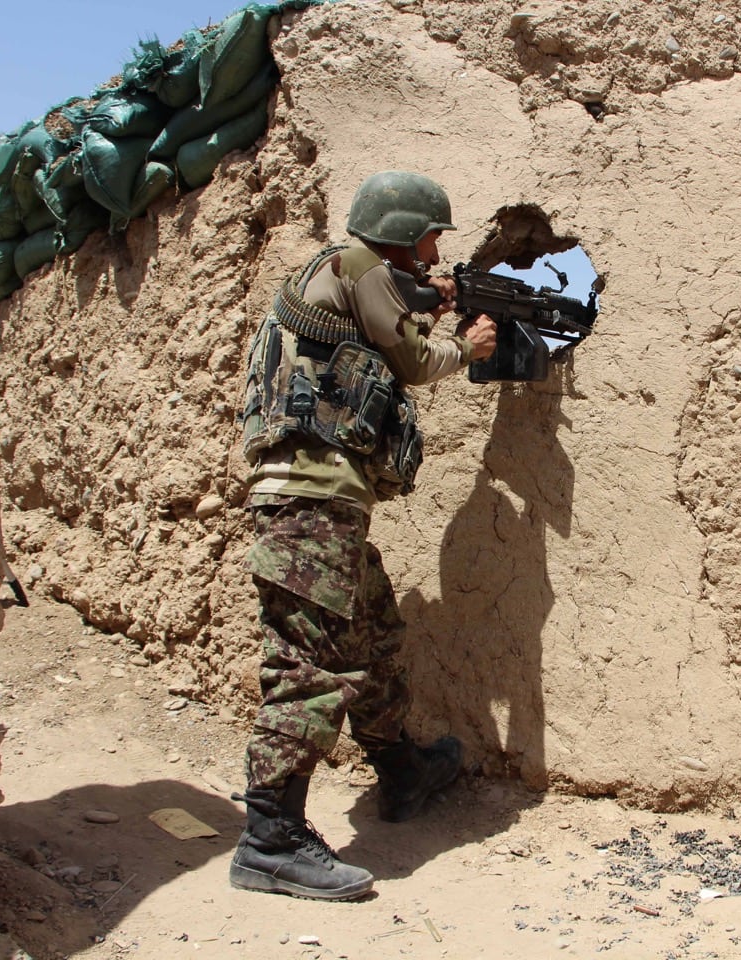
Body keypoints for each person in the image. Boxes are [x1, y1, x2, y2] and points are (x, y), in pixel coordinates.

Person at [229, 171, 497, 901]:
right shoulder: (361, 266)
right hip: (310, 506)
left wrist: (431, 310)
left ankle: (402, 771)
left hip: (328, 508)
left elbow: (378, 346)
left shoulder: (345, 276)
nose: (438, 249)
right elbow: (408, 363)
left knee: (374, 635)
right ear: (406, 231)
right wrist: (468, 348)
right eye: (432, 236)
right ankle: (271, 839)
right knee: (308, 668)